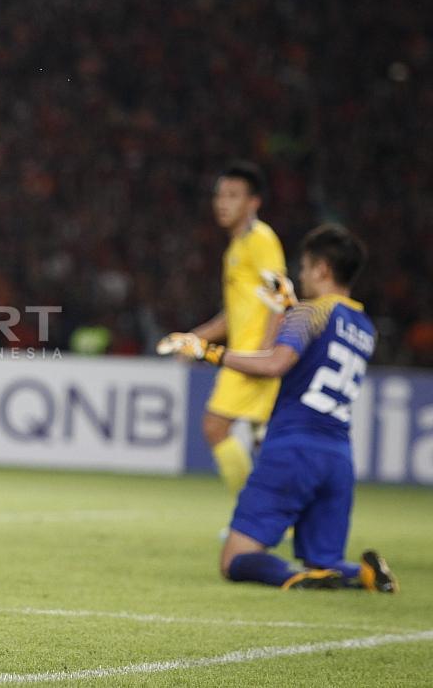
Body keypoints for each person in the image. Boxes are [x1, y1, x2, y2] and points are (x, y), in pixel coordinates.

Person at [162, 224, 397, 592]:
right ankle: (362, 574)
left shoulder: (309, 313)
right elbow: (318, 350)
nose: (300, 275)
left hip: (293, 447)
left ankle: (298, 580)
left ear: (321, 269)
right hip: (337, 457)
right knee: (326, 559)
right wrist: (288, 307)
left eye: (304, 268)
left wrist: (208, 352)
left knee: (235, 559)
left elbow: (275, 364)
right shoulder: (364, 325)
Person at [163, 162, 286, 494]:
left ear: (253, 202)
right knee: (264, 444)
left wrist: (266, 352)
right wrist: (194, 339)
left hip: (252, 356)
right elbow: (233, 317)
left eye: (233, 195)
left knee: (215, 427)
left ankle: (253, 518)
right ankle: (269, 521)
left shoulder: (260, 239)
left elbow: (282, 296)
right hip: (245, 354)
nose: (222, 203)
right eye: (219, 195)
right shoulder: (237, 248)